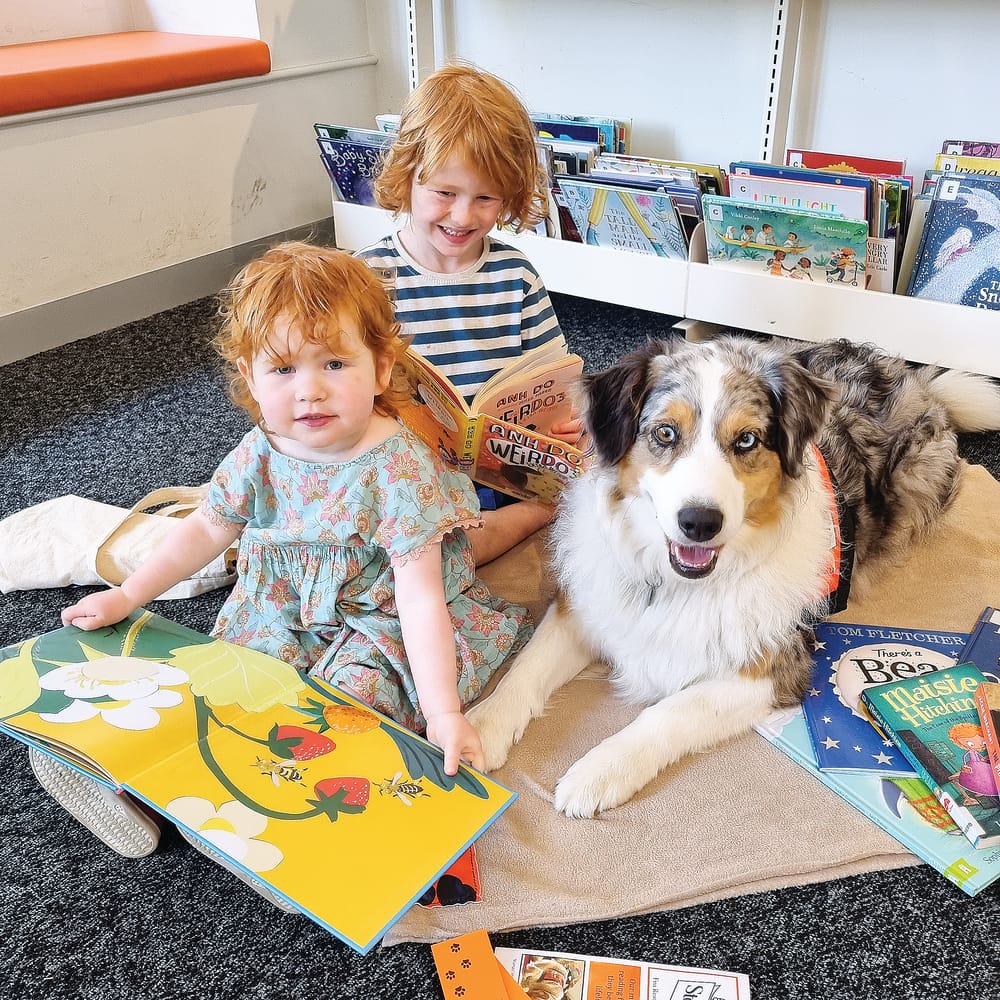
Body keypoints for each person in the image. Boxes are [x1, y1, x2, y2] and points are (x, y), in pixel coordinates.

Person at [38, 242, 533, 875]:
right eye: (282, 371)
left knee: (348, 704)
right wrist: (129, 594)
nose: (310, 392)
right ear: (249, 377)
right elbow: (205, 529)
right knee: (227, 687)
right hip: (281, 603)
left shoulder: (399, 467)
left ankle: (274, 819)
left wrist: (443, 712)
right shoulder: (261, 449)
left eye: (333, 363)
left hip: (378, 615)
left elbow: (420, 599)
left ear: (382, 369)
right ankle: (129, 787)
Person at [356, 64, 584, 566]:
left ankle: (502, 528)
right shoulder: (368, 278)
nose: (463, 217)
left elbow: (553, 383)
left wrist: (562, 427)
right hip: (405, 469)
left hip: (494, 472)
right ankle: (506, 529)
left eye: (484, 198)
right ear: (407, 175)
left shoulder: (515, 275)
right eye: (444, 193)